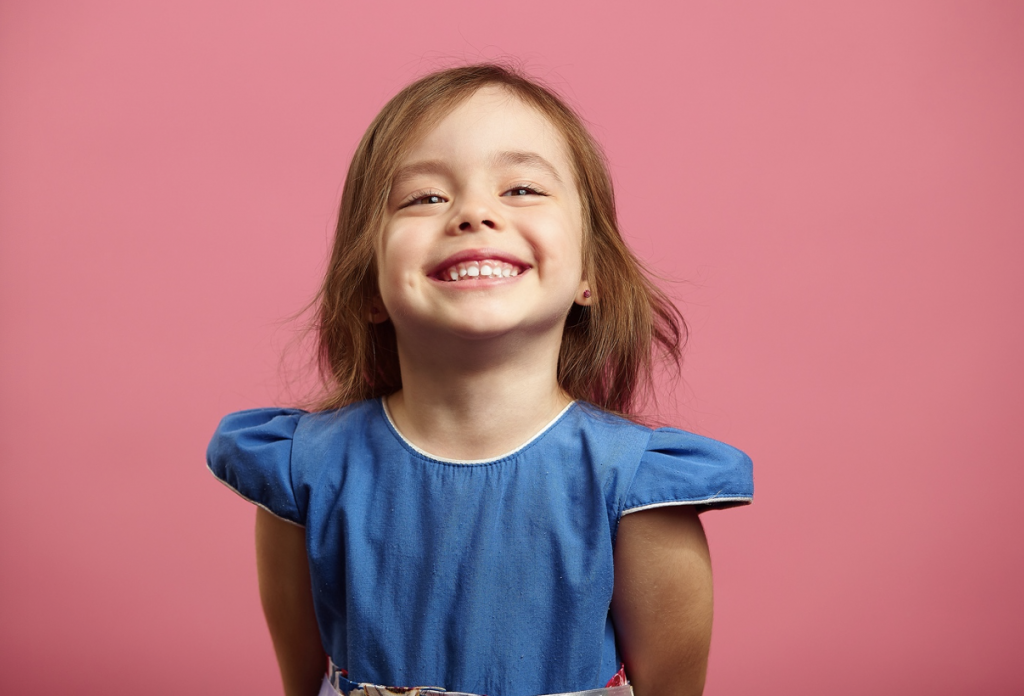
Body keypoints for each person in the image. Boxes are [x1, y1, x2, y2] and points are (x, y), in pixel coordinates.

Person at [207, 63, 753, 696]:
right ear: (369, 287)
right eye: (425, 197)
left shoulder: (638, 491)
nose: (473, 213)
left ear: (591, 275)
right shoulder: (303, 471)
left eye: (521, 188)